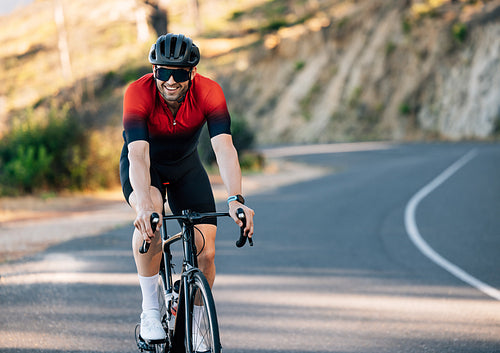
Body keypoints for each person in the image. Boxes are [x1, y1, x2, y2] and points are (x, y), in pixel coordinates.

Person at [119, 33, 255, 343]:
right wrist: (143, 205)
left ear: (192, 73)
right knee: (151, 214)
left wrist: (235, 199)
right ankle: (150, 311)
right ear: (153, 70)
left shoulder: (209, 92)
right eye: (161, 71)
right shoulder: (137, 93)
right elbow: (138, 155)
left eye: (178, 73)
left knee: (206, 250)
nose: (169, 80)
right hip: (145, 167)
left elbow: (224, 147)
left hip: (185, 167)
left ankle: (194, 324)